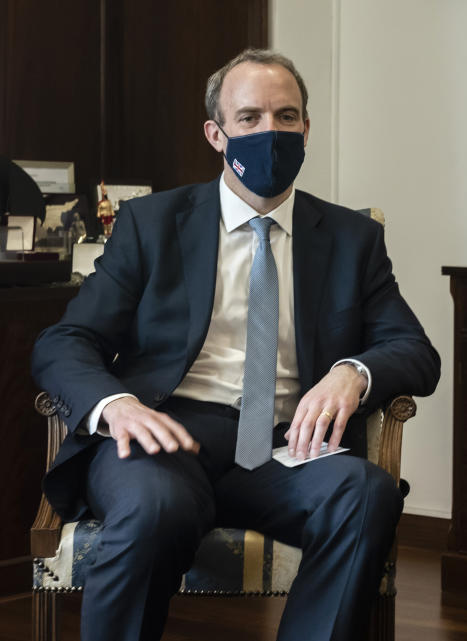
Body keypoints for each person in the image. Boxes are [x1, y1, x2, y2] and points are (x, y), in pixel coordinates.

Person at [31, 49, 440, 641]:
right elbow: (64, 341)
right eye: (249, 118)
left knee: (365, 492)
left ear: (306, 128)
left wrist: (354, 371)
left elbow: (414, 350)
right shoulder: (151, 224)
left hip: (284, 449)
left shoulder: (353, 239)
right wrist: (116, 406)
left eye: (286, 116)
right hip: (164, 439)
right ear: (216, 134)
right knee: (153, 508)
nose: (269, 132)